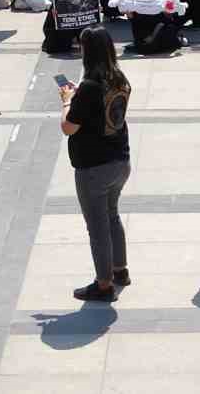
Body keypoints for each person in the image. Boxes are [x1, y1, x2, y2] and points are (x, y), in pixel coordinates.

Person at [59, 27, 134, 301]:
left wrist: (67, 101)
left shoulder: (89, 87)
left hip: (94, 167)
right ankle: (120, 270)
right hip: (120, 160)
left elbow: (68, 127)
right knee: (112, 215)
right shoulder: (118, 77)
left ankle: (104, 285)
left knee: (98, 227)